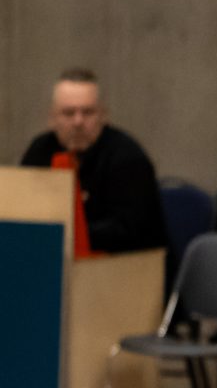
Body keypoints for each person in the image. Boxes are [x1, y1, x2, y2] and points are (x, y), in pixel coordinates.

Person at [21, 67, 168, 255]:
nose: (78, 122)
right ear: (52, 118)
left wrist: (66, 235)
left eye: (88, 112)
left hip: (124, 263)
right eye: (68, 113)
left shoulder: (128, 158)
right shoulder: (40, 151)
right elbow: (22, 211)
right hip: (51, 257)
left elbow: (131, 231)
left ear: (103, 115)